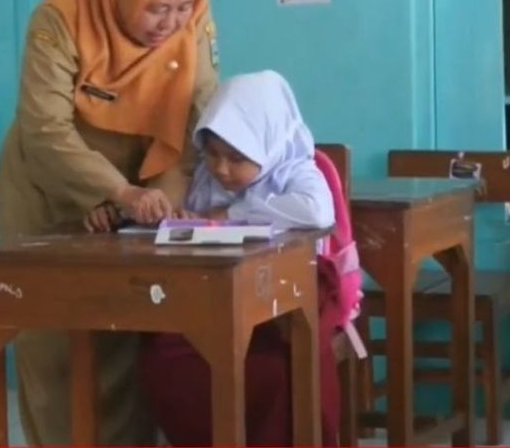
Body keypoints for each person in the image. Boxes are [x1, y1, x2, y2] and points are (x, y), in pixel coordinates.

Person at [0, 0, 220, 446]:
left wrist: (158, 200)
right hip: (49, 186)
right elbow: (44, 129)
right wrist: (110, 193)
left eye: (180, 9)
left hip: (143, 183)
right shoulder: (62, 17)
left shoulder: (195, 19)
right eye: (155, 8)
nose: (170, 23)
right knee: (52, 339)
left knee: (127, 326)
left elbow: (197, 116)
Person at [128, 70, 346, 446]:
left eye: (236, 158)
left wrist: (230, 216)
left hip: (279, 315)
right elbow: (190, 221)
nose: (222, 169)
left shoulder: (295, 171)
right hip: (213, 306)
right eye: (212, 155)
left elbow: (317, 213)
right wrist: (181, 220)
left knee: (276, 372)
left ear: (267, 145)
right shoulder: (206, 179)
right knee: (163, 359)